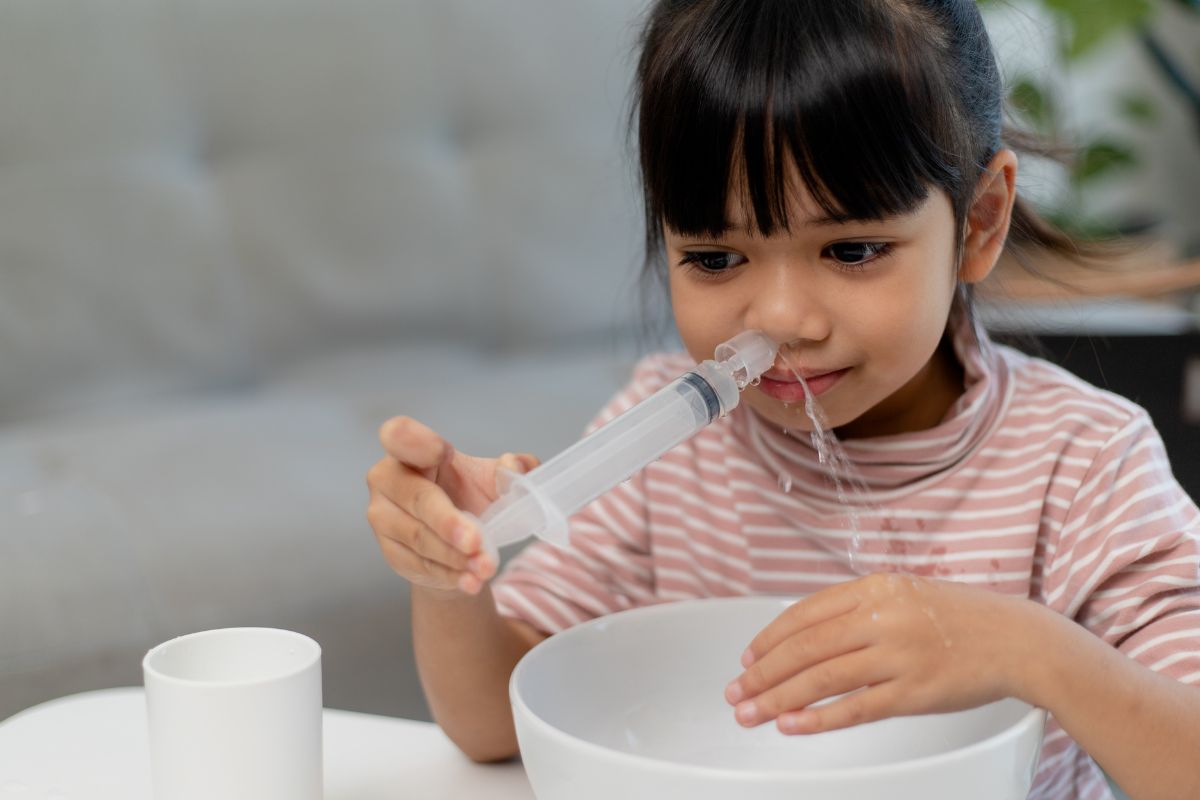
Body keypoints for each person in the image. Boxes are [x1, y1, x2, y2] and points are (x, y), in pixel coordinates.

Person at [364, 1, 1200, 797]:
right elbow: (489, 727)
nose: (780, 321)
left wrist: (1035, 652)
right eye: (717, 259)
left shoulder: (1082, 463)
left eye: (852, 248)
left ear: (979, 222)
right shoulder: (663, 441)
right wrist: (449, 577)